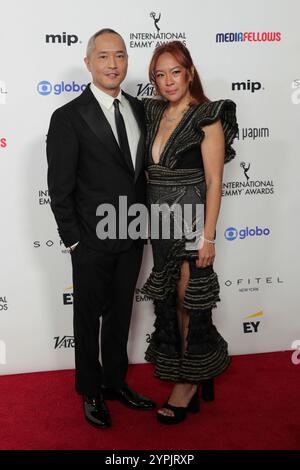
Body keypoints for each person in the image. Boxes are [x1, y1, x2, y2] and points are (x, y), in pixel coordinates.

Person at [47, 28, 155, 429]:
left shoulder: (139, 109)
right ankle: (90, 389)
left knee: (121, 313)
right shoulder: (68, 117)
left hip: (132, 235)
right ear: (88, 62)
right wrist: (75, 241)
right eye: (104, 56)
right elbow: (60, 187)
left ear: (127, 61)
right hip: (90, 240)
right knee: (87, 317)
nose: (113, 64)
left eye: (121, 56)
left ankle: (114, 382)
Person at [141, 41, 238, 424]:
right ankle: (191, 373)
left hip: (192, 220)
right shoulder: (152, 113)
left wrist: (208, 237)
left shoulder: (207, 117)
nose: (168, 81)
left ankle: (189, 382)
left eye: (175, 72)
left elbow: (215, 181)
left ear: (190, 73)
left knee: (188, 299)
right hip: (159, 224)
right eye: (160, 75)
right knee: (169, 299)